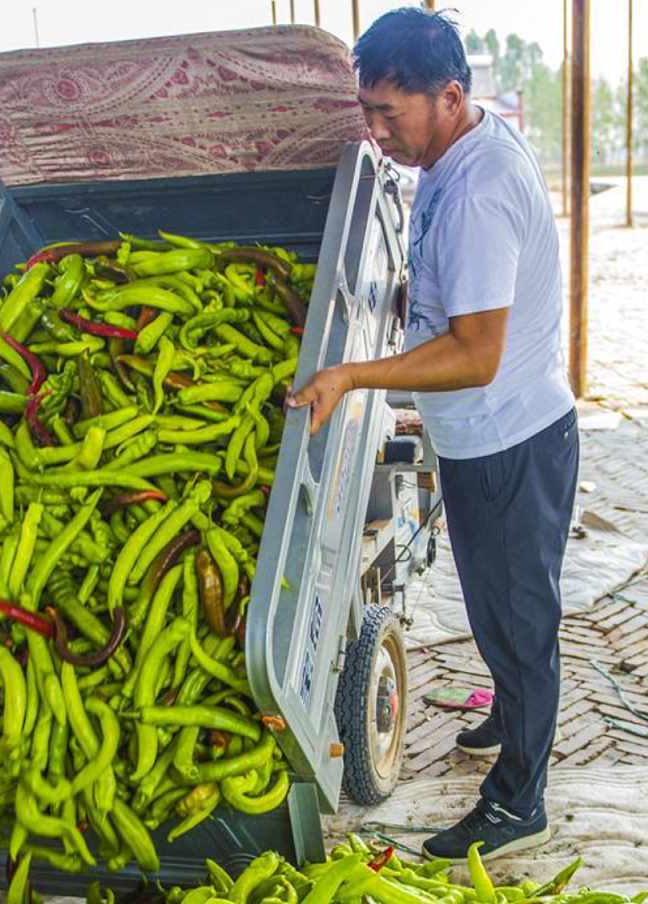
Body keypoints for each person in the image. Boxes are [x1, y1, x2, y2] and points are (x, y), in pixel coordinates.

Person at [290, 8, 578, 862]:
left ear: (450, 96)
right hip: (486, 438)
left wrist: (352, 375)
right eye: (367, 113)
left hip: (510, 441)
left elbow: (476, 353)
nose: (376, 133)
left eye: (389, 113)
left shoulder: (480, 189)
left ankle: (518, 800)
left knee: (522, 618)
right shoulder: (454, 153)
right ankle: (510, 707)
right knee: (498, 604)